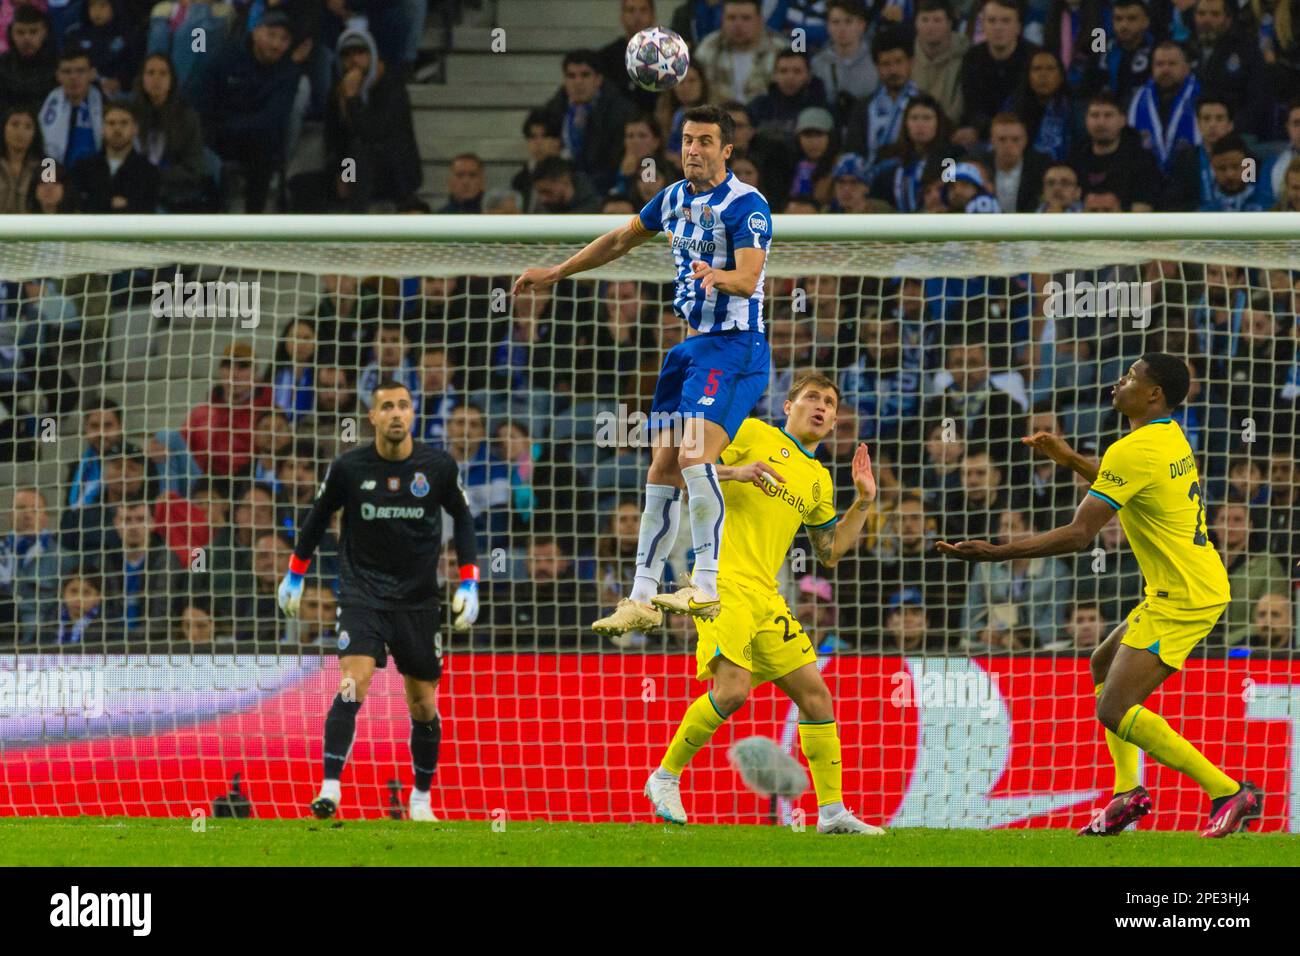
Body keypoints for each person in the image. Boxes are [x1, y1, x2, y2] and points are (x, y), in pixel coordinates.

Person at [939, 353, 1263, 838]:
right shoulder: (1167, 436)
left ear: (1154, 394)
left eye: (1132, 376)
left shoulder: (1132, 450)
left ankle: (1228, 791)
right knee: (1099, 663)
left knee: (1113, 708)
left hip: (1185, 595)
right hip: (1188, 582)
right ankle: (1127, 793)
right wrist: (1069, 459)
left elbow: (1078, 535)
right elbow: (1125, 484)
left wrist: (996, 551)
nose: (1120, 381)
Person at [512, 103, 773, 638]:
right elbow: (619, 240)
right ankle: (642, 597)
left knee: (695, 453)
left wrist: (716, 275)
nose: (693, 150)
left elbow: (748, 280)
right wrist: (558, 273)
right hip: (688, 352)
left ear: (726, 150)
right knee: (662, 469)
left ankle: (706, 582)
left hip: (735, 347)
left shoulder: (748, 205)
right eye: (687, 140)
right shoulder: (673, 198)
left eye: (705, 141)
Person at [645, 371, 885, 834]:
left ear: (834, 421)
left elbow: (830, 552)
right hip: (721, 582)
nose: (821, 406)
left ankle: (832, 812)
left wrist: (863, 501)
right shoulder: (751, 433)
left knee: (816, 696)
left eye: (830, 403)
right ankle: (665, 776)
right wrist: (738, 471)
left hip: (766, 595)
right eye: (811, 397)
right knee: (733, 690)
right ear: (787, 407)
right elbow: (681, 470)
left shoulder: (818, 480)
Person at [278, 379, 480, 822]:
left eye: (403, 406)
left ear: (412, 415)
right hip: (362, 595)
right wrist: (295, 573)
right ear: (372, 416)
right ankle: (329, 788)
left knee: (423, 705)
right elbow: (316, 518)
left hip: (419, 602)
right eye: (386, 406)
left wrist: (469, 581)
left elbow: (463, 519)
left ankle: (421, 799)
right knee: (353, 684)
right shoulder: (350, 468)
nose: (395, 413)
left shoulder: (439, 467)